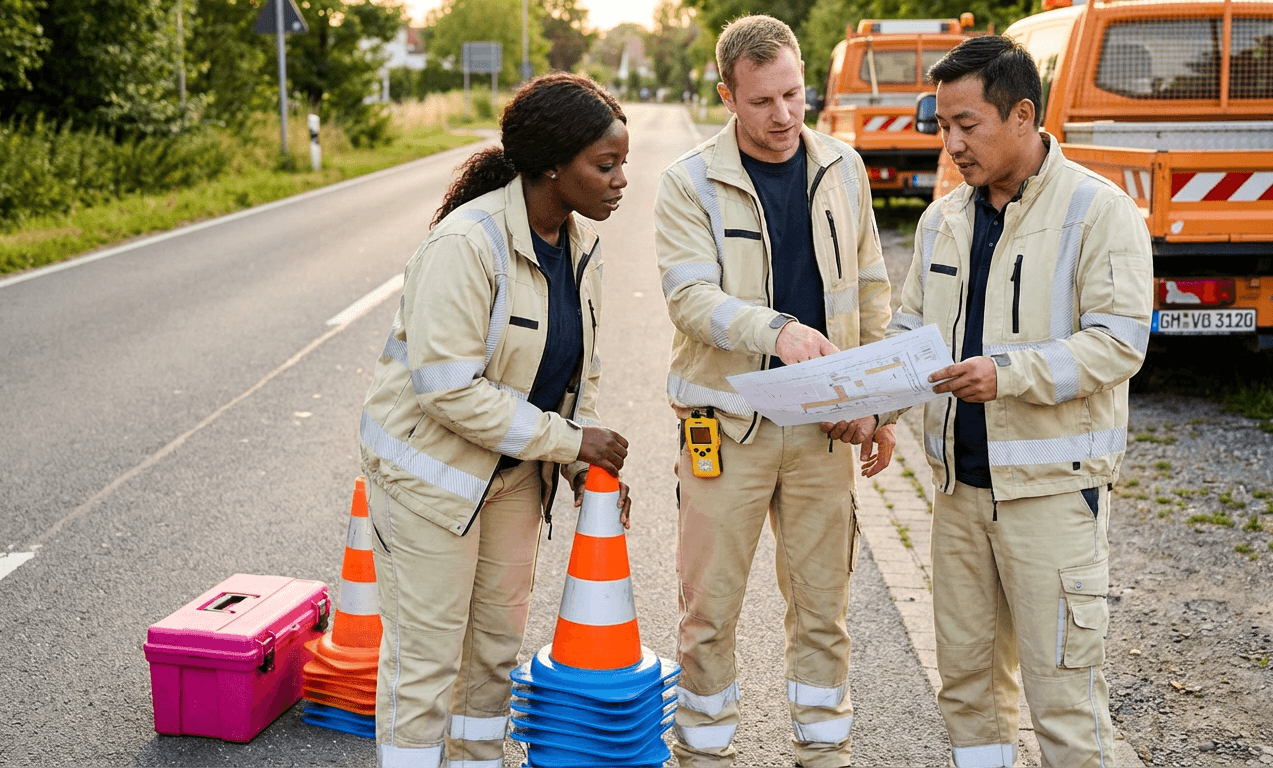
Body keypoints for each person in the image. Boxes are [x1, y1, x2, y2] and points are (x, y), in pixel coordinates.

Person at [886, 35, 1153, 768]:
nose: (951, 144)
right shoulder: (944, 219)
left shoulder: (1100, 212)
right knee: (969, 691)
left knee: (1064, 703)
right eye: (942, 126)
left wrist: (1008, 374)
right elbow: (911, 332)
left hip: (1053, 500)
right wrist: (867, 403)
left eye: (966, 125)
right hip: (959, 499)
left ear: (1023, 115)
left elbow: (1119, 343)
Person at [357, 73, 633, 768]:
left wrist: (578, 461)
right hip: (429, 482)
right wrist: (572, 440)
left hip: (512, 481)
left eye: (622, 162)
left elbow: (576, 379)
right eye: (606, 165)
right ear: (550, 166)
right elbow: (448, 390)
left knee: (492, 657)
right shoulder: (466, 245)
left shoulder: (580, 248)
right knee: (426, 664)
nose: (621, 180)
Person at [653, 16, 895, 768]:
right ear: (727, 95)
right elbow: (689, 298)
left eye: (794, 93)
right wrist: (778, 331)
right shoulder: (686, 182)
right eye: (762, 101)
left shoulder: (844, 168)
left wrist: (879, 401)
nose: (785, 115)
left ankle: (825, 754)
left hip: (826, 429)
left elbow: (874, 291)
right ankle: (704, 755)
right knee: (709, 612)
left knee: (825, 610)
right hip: (727, 432)